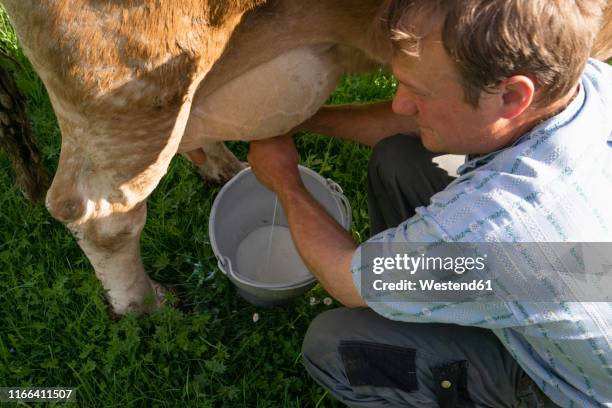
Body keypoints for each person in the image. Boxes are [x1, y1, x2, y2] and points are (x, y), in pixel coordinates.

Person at [247, 0, 612, 406]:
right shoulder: (590, 85)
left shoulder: (495, 228)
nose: (401, 103)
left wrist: (286, 182)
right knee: (398, 161)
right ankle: (416, 302)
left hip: (563, 386)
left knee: (335, 346)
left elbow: (345, 281)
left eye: (420, 91)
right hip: (583, 276)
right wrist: (296, 119)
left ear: (512, 96)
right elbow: (404, 122)